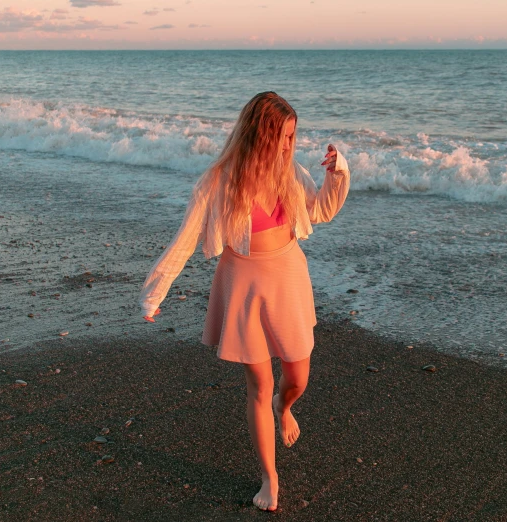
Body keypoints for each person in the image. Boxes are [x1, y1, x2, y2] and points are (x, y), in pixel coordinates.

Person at [139, 91, 350, 511]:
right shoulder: (218, 181)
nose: (289, 145)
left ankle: (284, 407)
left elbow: (322, 211)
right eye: (283, 136)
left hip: (288, 276)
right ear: (260, 134)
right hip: (242, 283)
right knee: (258, 384)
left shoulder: (292, 173)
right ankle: (269, 479)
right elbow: (184, 241)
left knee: (297, 379)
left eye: (293, 137)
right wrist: (153, 294)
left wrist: (338, 173)